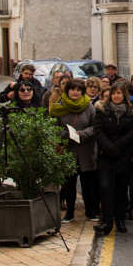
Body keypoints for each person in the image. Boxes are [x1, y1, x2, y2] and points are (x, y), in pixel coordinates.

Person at [92, 80, 133, 236]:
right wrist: (109, 147)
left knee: (120, 190)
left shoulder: (131, 111)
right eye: (114, 93)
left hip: (123, 156)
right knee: (105, 188)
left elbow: (132, 133)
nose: (116, 96)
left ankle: (120, 220)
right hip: (106, 156)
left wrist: (118, 147)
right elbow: (98, 131)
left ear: (124, 95)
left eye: (119, 93)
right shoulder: (102, 110)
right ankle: (107, 221)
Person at [49, 78, 96, 222]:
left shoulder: (89, 106)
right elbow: (53, 128)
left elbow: (95, 126)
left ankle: (91, 212)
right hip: (68, 150)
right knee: (69, 185)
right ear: (67, 91)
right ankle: (69, 213)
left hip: (86, 150)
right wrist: (67, 134)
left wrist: (81, 134)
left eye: (78, 90)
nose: (75, 93)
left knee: (88, 184)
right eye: (72, 89)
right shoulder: (59, 107)